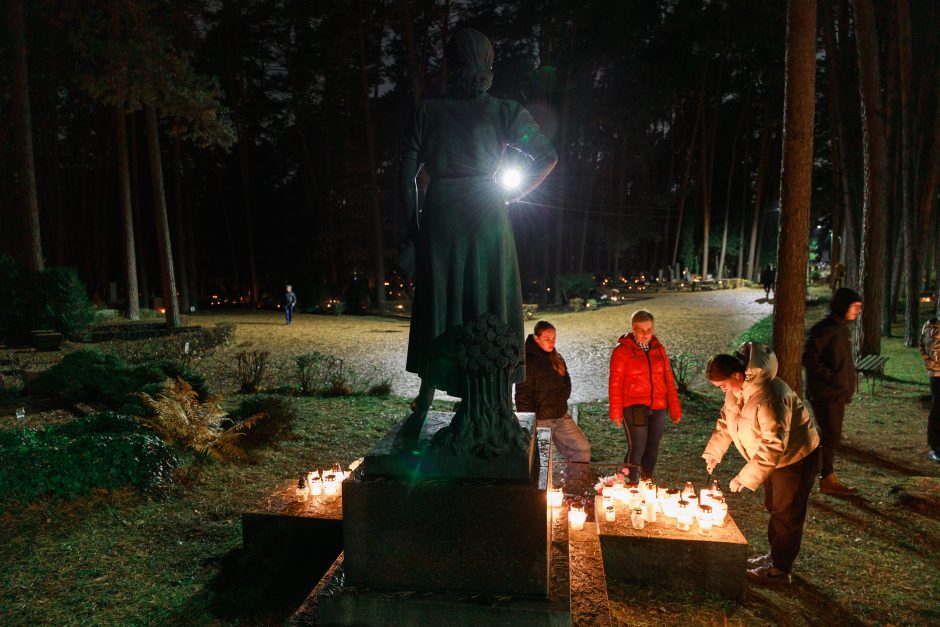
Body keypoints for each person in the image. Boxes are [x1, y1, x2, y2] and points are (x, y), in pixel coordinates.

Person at [398, 28, 557, 435]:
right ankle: (496, 396)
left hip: (443, 215)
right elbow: (547, 157)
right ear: (488, 66)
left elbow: (407, 175)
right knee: (489, 299)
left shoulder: (428, 111)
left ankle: (427, 396)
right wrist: (514, 195)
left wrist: (413, 230)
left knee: (441, 302)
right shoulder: (505, 111)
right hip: (487, 212)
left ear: (451, 66)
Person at [703, 342, 821, 584]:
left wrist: (743, 477)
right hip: (774, 461)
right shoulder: (735, 390)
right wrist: (715, 452)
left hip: (795, 458)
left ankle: (780, 570)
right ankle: (772, 556)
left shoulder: (770, 396)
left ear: (737, 374)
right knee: (774, 507)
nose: (722, 390)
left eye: (723, 385)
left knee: (787, 514)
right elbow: (726, 421)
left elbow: (774, 444)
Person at [608, 309, 682, 483]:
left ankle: (646, 482)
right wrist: (616, 411)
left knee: (652, 448)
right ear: (634, 329)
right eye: (641, 330)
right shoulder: (622, 352)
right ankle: (629, 484)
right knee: (637, 448)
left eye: (649, 330)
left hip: (658, 407)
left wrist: (675, 408)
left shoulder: (659, 349)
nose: (646, 334)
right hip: (634, 406)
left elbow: (669, 380)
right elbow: (615, 383)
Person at [802, 287, 863, 495]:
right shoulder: (825, 329)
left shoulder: (841, 328)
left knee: (831, 436)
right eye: (854, 307)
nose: (857, 311)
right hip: (825, 394)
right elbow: (809, 358)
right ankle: (825, 477)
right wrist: (834, 379)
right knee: (830, 436)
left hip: (836, 393)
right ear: (843, 305)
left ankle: (821, 475)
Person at [515, 321, 591, 465]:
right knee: (542, 462)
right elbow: (522, 395)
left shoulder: (556, 357)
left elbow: (566, 383)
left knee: (582, 449)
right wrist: (530, 423)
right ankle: (540, 488)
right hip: (541, 419)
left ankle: (575, 487)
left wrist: (560, 401)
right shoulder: (528, 363)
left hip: (561, 416)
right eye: (547, 339)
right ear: (537, 339)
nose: (552, 342)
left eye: (554, 338)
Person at [918, 318, 940, 463]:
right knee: (937, 411)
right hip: (938, 375)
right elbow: (935, 355)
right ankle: (935, 448)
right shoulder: (935, 329)